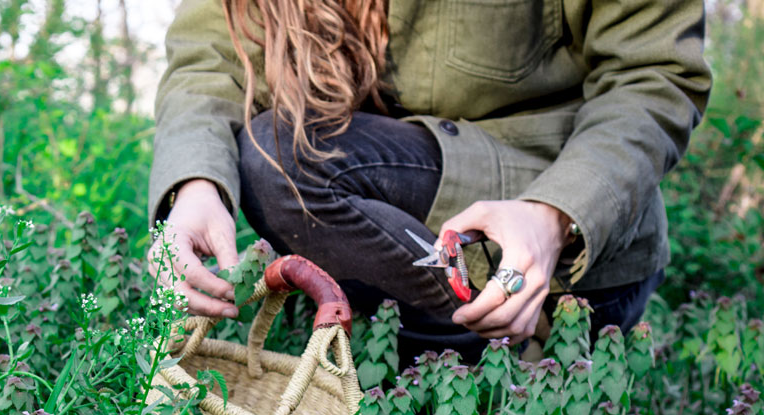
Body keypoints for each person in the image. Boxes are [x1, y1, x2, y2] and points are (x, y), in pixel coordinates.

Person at [147, 0, 711, 364]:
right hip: (395, 197)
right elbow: (209, 62)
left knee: (281, 157)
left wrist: (553, 215)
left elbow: (654, 76)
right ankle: (436, 373)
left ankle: (508, 371)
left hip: (558, 243)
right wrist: (194, 185)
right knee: (279, 156)